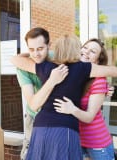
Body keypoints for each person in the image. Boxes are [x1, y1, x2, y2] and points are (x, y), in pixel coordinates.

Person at [10, 29, 117, 159]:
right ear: (77, 50)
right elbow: (113, 71)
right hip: (64, 128)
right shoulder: (84, 69)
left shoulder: (45, 67)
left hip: (40, 126)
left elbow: (15, 60)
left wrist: (30, 54)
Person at [53, 38, 115, 160]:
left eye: (93, 51)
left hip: (97, 143)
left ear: (97, 60)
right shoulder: (72, 74)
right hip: (77, 140)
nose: (86, 52)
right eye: (85, 47)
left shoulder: (98, 80)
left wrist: (72, 109)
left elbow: (89, 117)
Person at [16, 28, 68, 160]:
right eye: (31, 49)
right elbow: (33, 104)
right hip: (34, 118)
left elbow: (84, 71)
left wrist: (102, 87)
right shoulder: (22, 67)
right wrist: (52, 81)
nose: (36, 54)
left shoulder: (58, 59)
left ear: (49, 46)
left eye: (40, 48)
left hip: (56, 119)